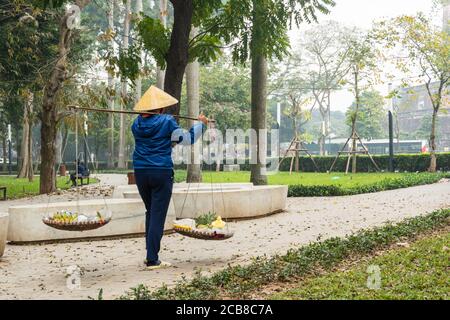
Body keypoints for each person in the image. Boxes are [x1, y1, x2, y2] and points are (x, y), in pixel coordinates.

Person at [132, 85, 208, 270]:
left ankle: (150, 253)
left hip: (140, 171)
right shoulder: (167, 121)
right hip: (161, 171)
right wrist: (201, 124)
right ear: (159, 108)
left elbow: (160, 141)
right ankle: (152, 259)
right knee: (157, 214)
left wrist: (169, 140)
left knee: (151, 211)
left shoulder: (136, 124)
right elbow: (188, 139)